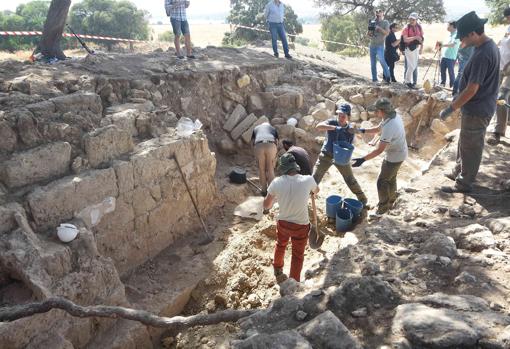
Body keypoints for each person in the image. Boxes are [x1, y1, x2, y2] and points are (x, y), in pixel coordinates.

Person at [439, 11, 500, 193]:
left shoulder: (483, 53)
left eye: (464, 37)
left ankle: (464, 183)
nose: (462, 41)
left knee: (471, 146)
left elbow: (472, 89)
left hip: (478, 109)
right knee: (464, 142)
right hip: (476, 108)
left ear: (473, 33)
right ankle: (459, 171)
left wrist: (451, 107)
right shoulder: (486, 47)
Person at [263, 153, 319, 282]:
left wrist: (274, 198)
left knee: (281, 244)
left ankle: (277, 268)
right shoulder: (308, 180)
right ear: (295, 167)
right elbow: (317, 191)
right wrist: (310, 190)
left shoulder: (276, 182)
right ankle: (294, 282)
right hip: (301, 226)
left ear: (282, 169)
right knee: (297, 255)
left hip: (283, 224)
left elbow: (266, 205)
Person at [351, 98, 408, 215]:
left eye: (377, 111)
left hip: (395, 156)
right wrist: (361, 130)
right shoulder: (392, 116)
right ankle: (392, 200)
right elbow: (377, 129)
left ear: (382, 111)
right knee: (391, 178)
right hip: (399, 152)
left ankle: (383, 208)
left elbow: (379, 150)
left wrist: (362, 159)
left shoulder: (390, 126)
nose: (375, 113)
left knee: (382, 182)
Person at [312, 103, 368, 205]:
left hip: (342, 158)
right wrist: (334, 128)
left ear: (348, 117)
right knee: (314, 179)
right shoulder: (332, 122)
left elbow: (359, 133)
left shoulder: (350, 128)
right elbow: (319, 126)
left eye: (343, 116)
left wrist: (353, 130)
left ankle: (363, 199)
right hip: (326, 155)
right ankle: (306, 199)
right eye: (339, 115)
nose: (341, 118)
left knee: (350, 179)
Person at [487, 7, 510, 145]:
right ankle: (500, 124)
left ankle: (497, 132)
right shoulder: (508, 29)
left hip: (508, 70)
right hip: (500, 67)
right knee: (498, 96)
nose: (508, 20)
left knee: (501, 97)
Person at [252, 122, 279, 197]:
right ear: (268, 126)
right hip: (271, 145)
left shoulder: (256, 128)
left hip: (258, 145)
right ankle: (272, 192)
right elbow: (277, 142)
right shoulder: (273, 129)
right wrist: (275, 155)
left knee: (261, 169)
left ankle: (264, 191)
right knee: (270, 169)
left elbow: (252, 142)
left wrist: (255, 154)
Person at [368, 9, 391, 84]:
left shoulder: (385, 22)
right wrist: (370, 32)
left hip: (380, 45)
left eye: (380, 12)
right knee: (373, 63)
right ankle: (374, 79)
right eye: (377, 12)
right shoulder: (372, 22)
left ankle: (387, 78)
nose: (378, 13)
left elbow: (387, 33)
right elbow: (368, 34)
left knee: (382, 60)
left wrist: (379, 28)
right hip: (372, 45)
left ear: (382, 13)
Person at [402, 13, 424, 89]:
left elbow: (421, 38)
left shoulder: (419, 27)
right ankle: (407, 81)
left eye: (413, 19)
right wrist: (415, 37)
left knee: (413, 66)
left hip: (416, 48)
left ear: (416, 19)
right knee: (411, 66)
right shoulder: (406, 27)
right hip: (409, 48)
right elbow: (405, 39)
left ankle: (408, 81)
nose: (411, 20)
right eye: (410, 19)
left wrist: (421, 47)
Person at [439, 21, 461, 88]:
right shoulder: (449, 35)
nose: (447, 27)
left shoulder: (456, 35)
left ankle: (452, 87)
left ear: (452, 26)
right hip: (444, 56)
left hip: (451, 57)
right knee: (442, 72)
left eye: (448, 25)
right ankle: (442, 85)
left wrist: (442, 45)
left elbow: (452, 45)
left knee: (451, 73)